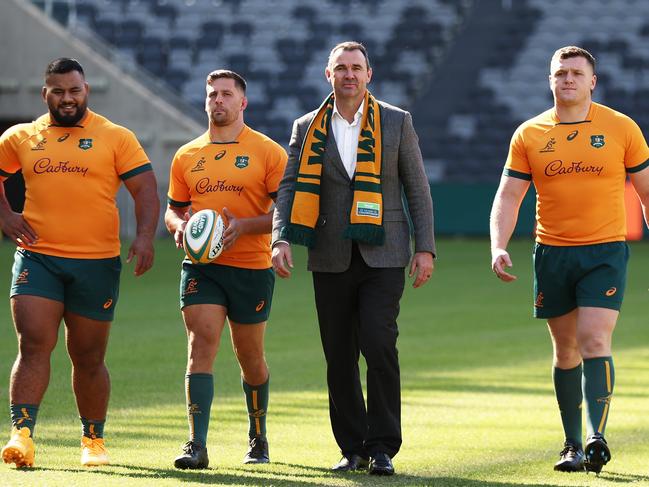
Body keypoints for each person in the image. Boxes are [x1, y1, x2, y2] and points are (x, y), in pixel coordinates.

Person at [272, 41, 435, 476]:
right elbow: (288, 187)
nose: (349, 75)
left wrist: (425, 247)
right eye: (340, 68)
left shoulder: (397, 122)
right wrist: (280, 238)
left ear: (369, 74)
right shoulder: (306, 126)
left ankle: (382, 446)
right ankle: (352, 447)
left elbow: (417, 188)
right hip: (329, 254)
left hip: (385, 253)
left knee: (379, 344)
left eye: (356, 68)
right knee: (339, 355)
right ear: (328, 75)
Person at [490, 46, 649, 474]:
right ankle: (572, 444)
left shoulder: (621, 128)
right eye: (560, 73)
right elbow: (509, 195)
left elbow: (647, 191)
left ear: (593, 81)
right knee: (566, 351)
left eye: (577, 73)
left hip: (605, 252)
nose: (568, 80)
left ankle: (597, 435)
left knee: (596, 339)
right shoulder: (529, 133)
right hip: (553, 253)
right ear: (550, 80)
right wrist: (498, 245)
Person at [0, 58, 159, 468]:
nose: (67, 99)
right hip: (39, 258)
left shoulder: (114, 137)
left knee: (87, 357)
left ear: (86, 90)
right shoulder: (21, 136)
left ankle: (92, 439)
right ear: (45, 94)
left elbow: (144, 189)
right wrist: (5, 214)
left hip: (97, 263)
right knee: (33, 344)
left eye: (74, 91)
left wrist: (144, 238)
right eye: (58, 91)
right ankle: (21, 436)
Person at [165, 69, 287, 470]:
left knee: (249, 357)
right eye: (212, 94)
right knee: (201, 345)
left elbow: (284, 213)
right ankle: (196, 445)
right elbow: (173, 208)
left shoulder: (268, 152)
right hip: (202, 268)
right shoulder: (186, 155)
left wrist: (245, 228)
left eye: (226, 94)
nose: (218, 100)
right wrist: (180, 225)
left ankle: (258, 436)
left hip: (251, 268)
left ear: (242, 103)